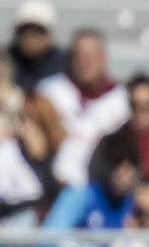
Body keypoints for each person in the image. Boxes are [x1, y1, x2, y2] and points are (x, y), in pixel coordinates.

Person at [36, 30, 130, 190]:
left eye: (90, 56)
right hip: (51, 183)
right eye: (79, 55)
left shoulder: (121, 99)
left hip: (101, 187)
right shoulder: (49, 91)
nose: (84, 62)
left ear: (103, 58)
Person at [7, 0, 66, 94]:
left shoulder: (64, 67)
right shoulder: (7, 61)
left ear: (48, 36)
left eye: (36, 33)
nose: (30, 39)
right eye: (25, 32)